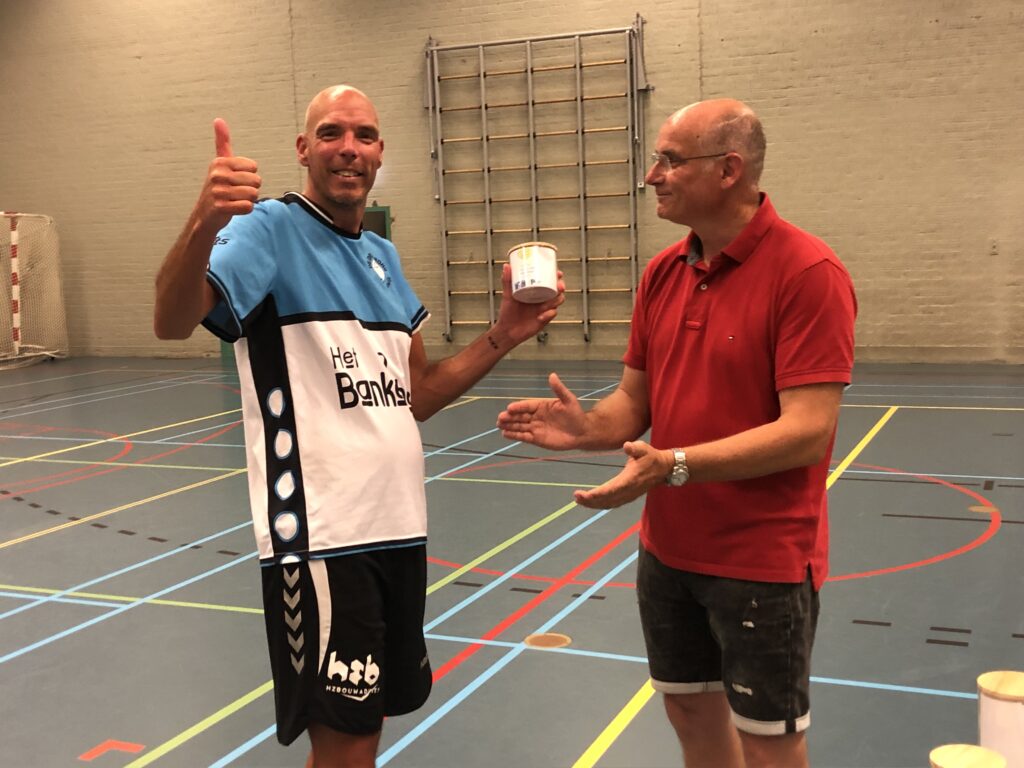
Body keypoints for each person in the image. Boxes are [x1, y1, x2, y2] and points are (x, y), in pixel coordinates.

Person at [153, 84, 564, 768]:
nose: (349, 148)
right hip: (323, 538)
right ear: (303, 148)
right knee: (347, 744)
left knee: (365, 734)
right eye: (332, 133)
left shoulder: (382, 257)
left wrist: (505, 334)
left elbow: (418, 395)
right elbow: (171, 322)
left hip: (398, 532)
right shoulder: (267, 228)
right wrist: (204, 221)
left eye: (364, 135)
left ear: (379, 153)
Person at [498, 99, 856, 768]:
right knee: (690, 713)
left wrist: (675, 465)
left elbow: (808, 432)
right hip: (668, 553)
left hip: (763, 561)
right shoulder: (663, 273)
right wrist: (585, 428)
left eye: (670, 160)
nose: (652, 175)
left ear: (729, 169)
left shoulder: (808, 273)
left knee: (769, 745)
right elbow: (634, 403)